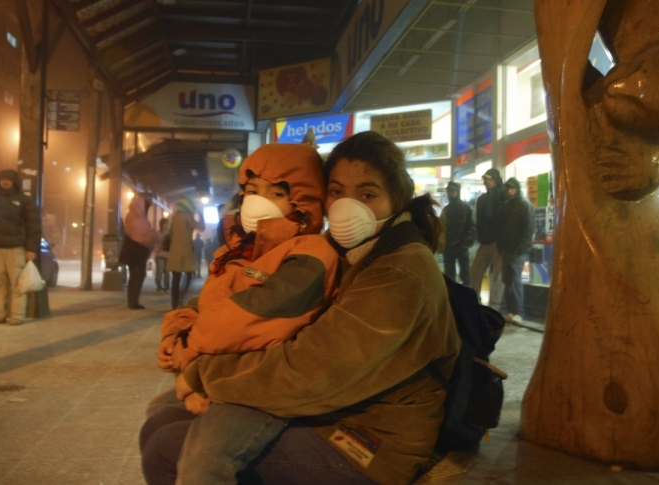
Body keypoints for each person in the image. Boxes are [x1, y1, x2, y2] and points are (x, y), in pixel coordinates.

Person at [140, 131, 461, 485]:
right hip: (332, 410)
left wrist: (202, 374)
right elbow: (242, 291)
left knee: (167, 447)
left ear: (398, 200)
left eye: (367, 194)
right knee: (162, 420)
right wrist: (182, 330)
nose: (347, 206)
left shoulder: (401, 271)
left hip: (371, 439)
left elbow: (311, 372)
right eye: (337, 191)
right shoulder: (340, 248)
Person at [142, 142, 339, 485]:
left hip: (259, 385)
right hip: (219, 372)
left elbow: (260, 315)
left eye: (276, 192)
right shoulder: (236, 251)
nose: (258, 201)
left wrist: (190, 350)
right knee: (158, 413)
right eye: (252, 190)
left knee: (203, 461)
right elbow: (202, 306)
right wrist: (174, 335)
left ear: (304, 202)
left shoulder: (312, 252)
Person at [0, 169, 41, 326]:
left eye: (8, 180)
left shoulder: (25, 201)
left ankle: (17, 316)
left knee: (17, 284)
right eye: (2, 179)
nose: (4, 182)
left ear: (14, 182)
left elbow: (34, 226)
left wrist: (31, 249)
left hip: (16, 249)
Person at [497, 177, 534, 324]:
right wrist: (502, 247)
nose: (509, 191)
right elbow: (503, 230)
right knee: (508, 280)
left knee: (514, 280)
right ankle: (512, 311)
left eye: (511, 188)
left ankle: (518, 312)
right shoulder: (508, 205)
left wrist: (519, 250)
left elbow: (528, 230)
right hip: (508, 250)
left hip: (517, 250)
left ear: (517, 189)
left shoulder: (524, 205)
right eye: (507, 188)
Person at [469, 168, 505, 309]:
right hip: (486, 242)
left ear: (495, 180)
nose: (486, 182)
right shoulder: (483, 199)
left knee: (499, 274)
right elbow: (480, 220)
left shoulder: (503, 197)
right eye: (485, 179)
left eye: (489, 179)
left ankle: (494, 304)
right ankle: (475, 300)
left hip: (498, 242)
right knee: (475, 271)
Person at [166, 196, 204, 309]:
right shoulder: (187, 217)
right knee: (189, 275)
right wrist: (201, 215)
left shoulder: (174, 217)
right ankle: (181, 299)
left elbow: (170, 232)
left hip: (174, 251)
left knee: (176, 278)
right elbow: (201, 227)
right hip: (185, 251)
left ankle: (174, 303)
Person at [119, 195, 156, 310]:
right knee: (137, 276)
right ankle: (133, 302)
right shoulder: (135, 219)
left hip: (137, 253)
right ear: (140, 207)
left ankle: (133, 301)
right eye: (146, 207)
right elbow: (140, 237)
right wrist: (152, 234)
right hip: (135, 253)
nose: (147, 209)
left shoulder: (137, 218)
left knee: (137, 276)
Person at [441, 181, 476, 286]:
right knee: (449, 276)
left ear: (457, 192)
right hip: (449, 247)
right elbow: (442, 228)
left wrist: (465, 244)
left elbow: (472, 227)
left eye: (453, 191)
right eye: (449, 191)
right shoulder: (446, 210)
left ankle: (465, 299)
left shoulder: (467, 208)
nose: (451, 193)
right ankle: (452, 299)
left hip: (461, 247)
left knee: (465, 276)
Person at [154, 218, 170, 294]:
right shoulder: (158, 233)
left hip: (168, 255)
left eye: (167, 223)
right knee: (159, 272)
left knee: (167, 273)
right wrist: (157, 249)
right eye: (165, 223)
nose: (166, 225)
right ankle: (159, 287)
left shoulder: (170, 233)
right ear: (161, 224)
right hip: (160, 255)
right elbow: (154, 243)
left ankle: (167, 287)